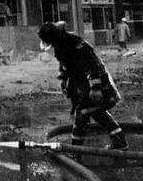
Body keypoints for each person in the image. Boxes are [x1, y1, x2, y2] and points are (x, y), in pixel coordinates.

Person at [37, 22, 128, 151]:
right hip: (82, 86)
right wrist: (63, 79)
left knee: (82, 114)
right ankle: (120, 144)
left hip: (97, 85)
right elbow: (64, 65)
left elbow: (93, 64)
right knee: (98, 114)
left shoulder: (75, 43)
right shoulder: (60, 46)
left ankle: (75, 151)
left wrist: (96, 88)